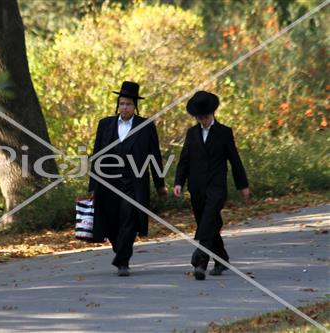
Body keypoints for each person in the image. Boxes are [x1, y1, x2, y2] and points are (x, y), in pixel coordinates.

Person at [88, 81, 167, 277]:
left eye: (128, 104)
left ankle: (123, 261)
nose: (125, 108)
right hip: (108, 182)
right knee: (112, 221)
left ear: (135, 106)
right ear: (118, 105)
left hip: (134, 183)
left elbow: (154, 155)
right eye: (122, 104)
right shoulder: (105, 124)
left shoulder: (146, 126)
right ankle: (120, 249)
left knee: (129, 218)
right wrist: (92, 185)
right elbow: (96, 155)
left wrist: (160, 184)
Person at [173, 90, 250, 280]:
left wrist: (243, 185)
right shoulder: (192, 134)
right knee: (208, 223)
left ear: (212, 114)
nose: (203, 121)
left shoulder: (224, 132)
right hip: (197, 187)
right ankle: (221, 259)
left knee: (208, 221)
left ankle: (200, 261)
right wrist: (178, 182)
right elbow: (184, 160)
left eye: (206, 117)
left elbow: (234, 160)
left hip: (217, 186)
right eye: (199, 118)